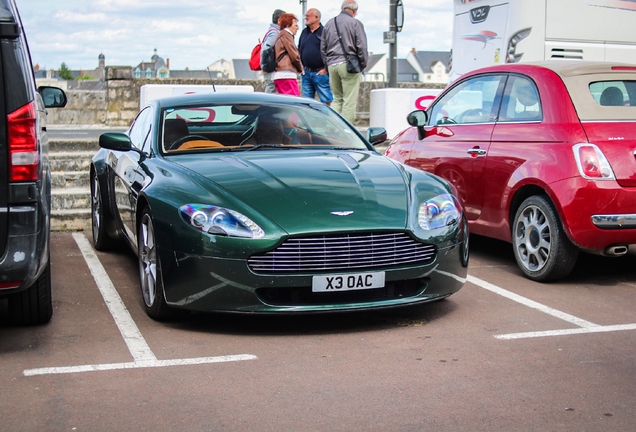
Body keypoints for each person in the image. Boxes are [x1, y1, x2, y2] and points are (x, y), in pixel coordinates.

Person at [320, 0, 368, 123]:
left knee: (337, 99)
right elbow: (361, 46)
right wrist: (362, 64)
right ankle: (347, 132)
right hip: (348, 65)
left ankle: (331, 127)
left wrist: (327, 64)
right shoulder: (355, 23)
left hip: (332, 65)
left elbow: (323, 47)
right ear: (354, 10)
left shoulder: (330, 23)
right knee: (349, 100)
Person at [298, 8, 333, 105]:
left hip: (320, 72)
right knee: (306, 102)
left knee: (326, 99)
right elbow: (299, 49)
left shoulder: (324, 32)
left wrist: (326, 69)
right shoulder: (305, 32)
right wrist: (300, 66)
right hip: (306, 72)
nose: (306, 18)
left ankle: (327, 119)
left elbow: (330, 50)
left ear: (316, 17)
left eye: (308, 16)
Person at [273, 13, 303, 96]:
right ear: (288, 25)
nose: (297, 28)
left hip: (279, 74)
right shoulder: (286, 35)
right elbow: (294, 55)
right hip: (286, 74)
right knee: (294, 102)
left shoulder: (280, 35)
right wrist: (300, 68)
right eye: (295, 25)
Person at [261, 9, 286, 93]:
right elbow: (266, 49)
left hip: (270, 69)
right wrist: (267, 66)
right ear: (279, 20)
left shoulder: (272, 31)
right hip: (271, 70)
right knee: (271, 91)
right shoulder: (275, 33)